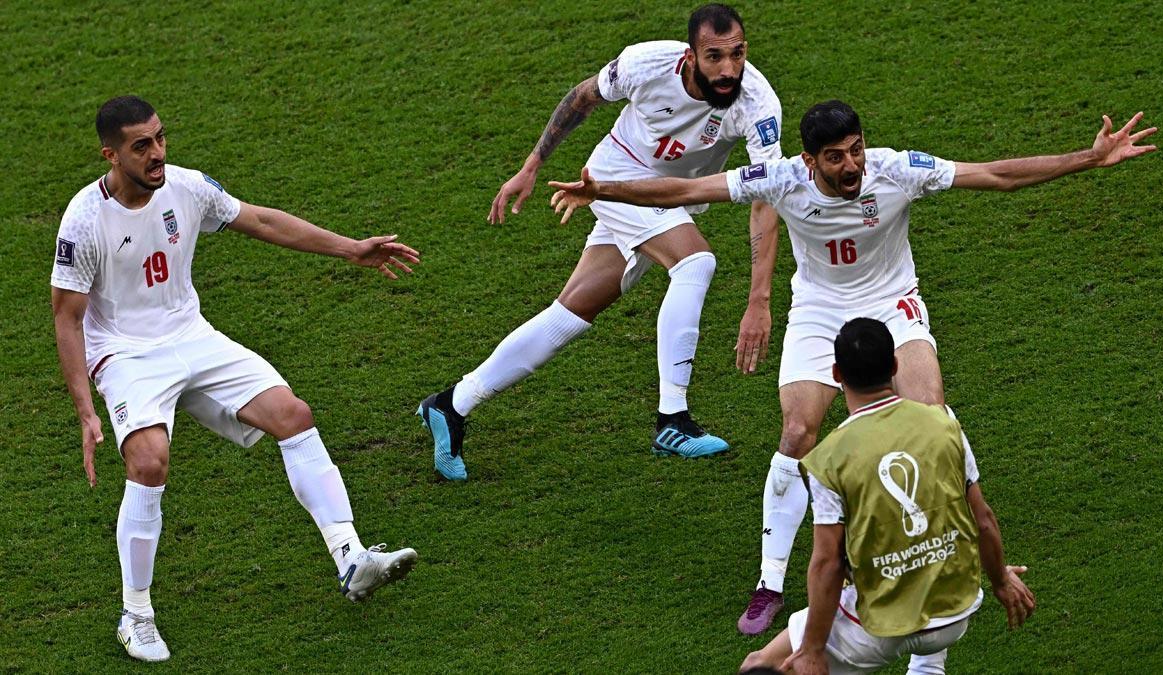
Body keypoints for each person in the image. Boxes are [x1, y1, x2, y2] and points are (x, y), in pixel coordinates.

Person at [547, 99, 1156, 633]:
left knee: (930, 421)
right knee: (796, 433)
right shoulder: (780, 178)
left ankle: (960, 550)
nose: (851, 166)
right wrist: (606, 190)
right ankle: (769, 581)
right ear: (810, 161)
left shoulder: (895, 170)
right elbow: (683, 191)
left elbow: (993, 174)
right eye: (836, 157)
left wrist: (1088, 157)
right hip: (818, 311)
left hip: (892, 305)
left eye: (855, 150)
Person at [51, 96, 423, 662]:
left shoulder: (187, 186)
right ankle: (136, 613)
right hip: (127, 354)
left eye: (160, 137)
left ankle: (351, 557)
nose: (157, 154)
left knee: (293, 416)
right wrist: (86, 412)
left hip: (191, 334)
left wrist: (351, 249)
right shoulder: (84, 218)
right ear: (111, 154)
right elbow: (68, 316)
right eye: (141, 146)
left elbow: (261, 219)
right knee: (148, 462)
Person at [417, 3, 785, 480]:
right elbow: (582, 97)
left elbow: (764, 196)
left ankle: (451, 404)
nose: (728, 70)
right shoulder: (646, 64)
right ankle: (672, 420)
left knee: (570, 313)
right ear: (689, 56)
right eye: (714, 57)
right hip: (612, 179)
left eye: (736, 55)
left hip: (669, 198)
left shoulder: (757, 105)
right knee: (695, 263)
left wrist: (760, 299)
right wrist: (532, 165)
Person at [738, 317, 1036, 674]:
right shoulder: (944, 425)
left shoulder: (830, 458)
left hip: (877, 627)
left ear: (836, 373)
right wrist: (1001, 580)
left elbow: (827, 563)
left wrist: (813, 649)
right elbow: (983, 519)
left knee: (759, 665)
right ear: (895, 366)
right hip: (953, 613)